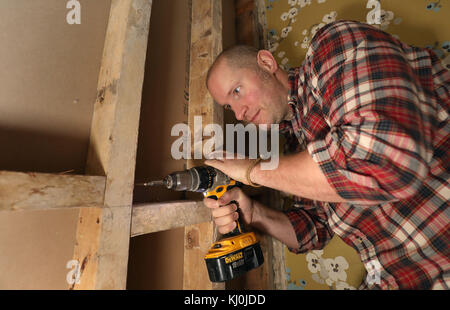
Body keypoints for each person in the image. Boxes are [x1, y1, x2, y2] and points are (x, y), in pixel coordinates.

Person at [203, 20, 449, 289]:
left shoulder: (331, 48)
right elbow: (313, 230)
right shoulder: (297, 146)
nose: (239, 114)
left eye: (237, 91)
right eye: (230, 106)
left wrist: (253, 171)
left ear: (266, 62)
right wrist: (254, 213)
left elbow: (386, 161)